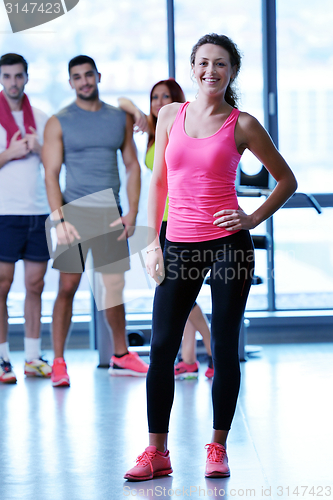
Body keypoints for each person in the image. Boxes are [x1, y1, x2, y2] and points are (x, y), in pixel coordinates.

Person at [124, 33, 297, 481]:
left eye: (221, 64)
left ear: (232, 71)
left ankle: (217, 447)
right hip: (177, 243)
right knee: (162, 347)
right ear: (193, 67)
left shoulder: (243, 124)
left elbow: (286, 180)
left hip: (227, 246)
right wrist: (152, 242)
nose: (211, 71)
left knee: (222, 348)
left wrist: (251, 218)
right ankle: (156, 452)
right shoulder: (168, 115)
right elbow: (159, 183)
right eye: (203, 63)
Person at [43, 55, 148, 387]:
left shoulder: (118, 118)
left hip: (109, 212)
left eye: (89, 75)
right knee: (67, 287)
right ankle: (58, 361)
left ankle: (121, 355)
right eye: (77, 77)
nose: (84, 81)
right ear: (70, 82)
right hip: (72, 214)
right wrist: (59, 220)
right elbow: (50, 174)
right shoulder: (59, 121)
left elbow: (132, 165)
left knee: (113, 288)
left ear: (98, 76)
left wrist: (131, 211)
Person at [119, 79, 214, 380]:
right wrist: (136, 110)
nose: (159, 103)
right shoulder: (154, 128)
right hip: (161, 220)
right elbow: (121, 99)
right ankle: (188, 358)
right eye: (154, 98)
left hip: (181, 220)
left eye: (166, 97)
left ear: (177, 100)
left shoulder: (181, 126)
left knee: (178, 293)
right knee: (172, 290)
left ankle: (212, 346)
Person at [0, 53, 51, 384]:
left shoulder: (43, 119)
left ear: (27, 78)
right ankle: (3, 359)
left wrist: (39, 148)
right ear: (1, 80)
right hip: (4, 213)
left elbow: (57, 164)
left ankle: (32, 357)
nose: (14, 82)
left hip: (38, 213)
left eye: (19, 76)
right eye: (7, 77)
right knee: (1, 286)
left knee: (36, 285)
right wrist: (10, 153)